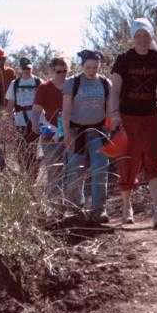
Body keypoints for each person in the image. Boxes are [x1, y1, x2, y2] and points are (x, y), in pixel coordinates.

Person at [109, 18, 157, 228]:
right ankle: (126, 205)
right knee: (128, 162)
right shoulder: (123, 60)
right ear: (133, 37)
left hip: (151, 117)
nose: (143, 39)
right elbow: (115, 91)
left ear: (151, 36)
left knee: (155, 161)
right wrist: (114, 115)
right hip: (127, 118)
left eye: (146, 35)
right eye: (138, 35)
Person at [62, 50, 112, 223]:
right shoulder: (72, 82)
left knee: (100, 169)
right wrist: (66, 133)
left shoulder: (105, 83)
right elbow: (66, 111)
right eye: (88, 67)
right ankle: (76, 210)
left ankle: (99, 210)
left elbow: (110, 109)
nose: (92, 70)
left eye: (95, 67)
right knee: (75, 171)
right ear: (82, 65)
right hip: (76, 132)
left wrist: (109, 130)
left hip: (99, 132)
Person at [32, 56, 69, 201]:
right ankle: (55, 205)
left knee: (71, 169)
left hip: (70, 132)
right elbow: (36, 109)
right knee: (54, 169)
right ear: (53, 70)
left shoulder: (72, 85)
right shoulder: (44, 87)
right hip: (50, 132)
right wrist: (35, 124)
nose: (62, 74)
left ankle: (70, 203)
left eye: (65, 71)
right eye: (59, 71)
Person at [6, 57, 42, 178]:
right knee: (21, 151)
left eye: (28, 68)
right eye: (24, 68)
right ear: (20, 69)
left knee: (34, 151)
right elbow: (10, 105)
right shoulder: (14, 84)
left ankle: (33, 177)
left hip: (36, 122)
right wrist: (9, 123)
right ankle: (25, 176)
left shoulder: (39, 82)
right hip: (19, 122)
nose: (27, 70)